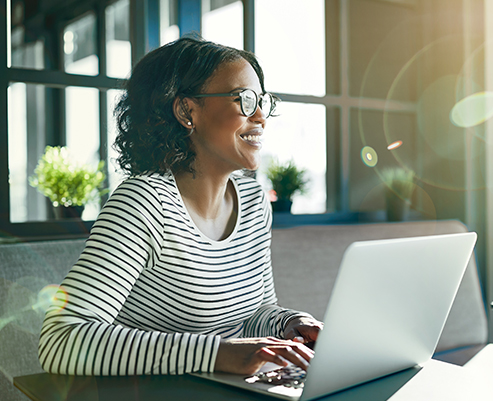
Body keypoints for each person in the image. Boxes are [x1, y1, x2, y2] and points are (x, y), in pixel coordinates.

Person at [38, 35, 323, 377]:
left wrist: (290, 323)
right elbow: (61, 339)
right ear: (187, 111)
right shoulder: (143, 203)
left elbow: (254, 312)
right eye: (245, 100)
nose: (261, 116)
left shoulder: (253, 201)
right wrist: (217, 354)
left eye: (262, 100)